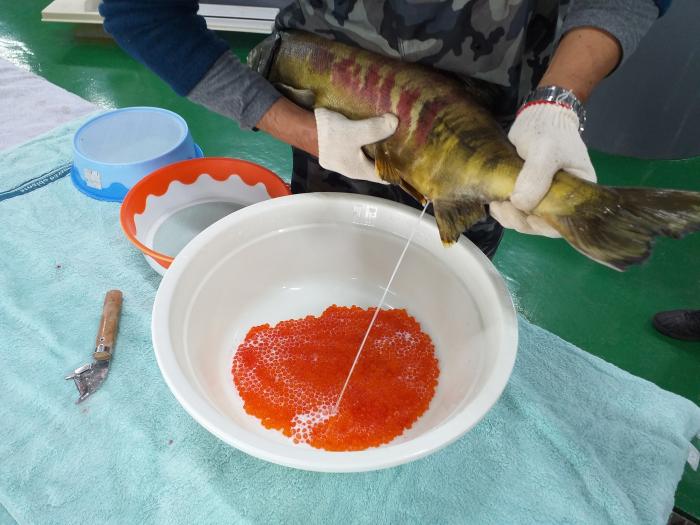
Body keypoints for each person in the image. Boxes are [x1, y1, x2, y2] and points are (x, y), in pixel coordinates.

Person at [99, 0, 668, 258]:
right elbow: (141, 12)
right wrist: (303, 131)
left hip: (498, 126)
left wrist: (557, 100)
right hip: (332, 131)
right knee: (333, 263)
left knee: (447, 275)